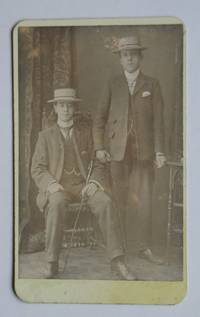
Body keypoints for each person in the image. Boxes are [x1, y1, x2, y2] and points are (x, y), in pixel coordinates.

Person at [31, 88, 135, 279]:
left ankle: (117, 261)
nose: (65, 110)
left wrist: (94, 182)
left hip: (83, 185)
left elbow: (98, 161)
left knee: (105, 202)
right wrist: (51, 184)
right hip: (58, 187)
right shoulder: (45, 136)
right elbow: (37, 169)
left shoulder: (86, 134)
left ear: (74, 108)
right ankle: (51, 262)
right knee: (55, 203)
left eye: (69, 105)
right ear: (55, 108)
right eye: (61, 105)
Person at [93, 36, 166, 264]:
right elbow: (99, 119)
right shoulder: (112, 84)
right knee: (119, 200)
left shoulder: (152, 84)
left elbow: (158, 122)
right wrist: (99, 147)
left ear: (141, 57)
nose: (130, 58)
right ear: (120, 60)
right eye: (125, 55)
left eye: (134, 54)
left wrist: (159, 151)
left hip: (143, 153)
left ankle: (143, 247)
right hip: (117, 153)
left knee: (143, 201)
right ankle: (120, 248)